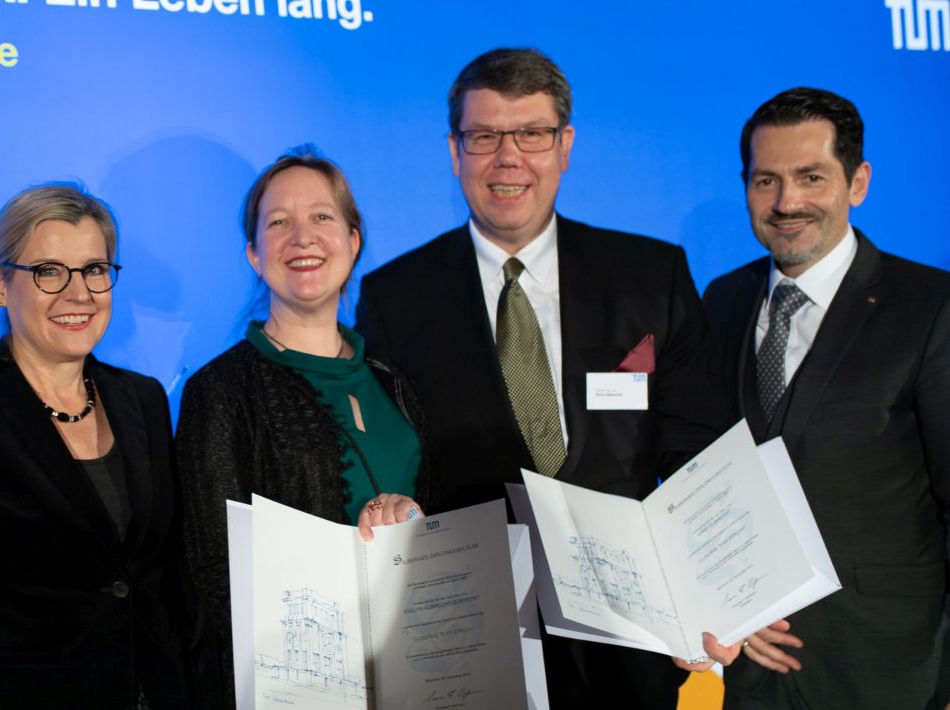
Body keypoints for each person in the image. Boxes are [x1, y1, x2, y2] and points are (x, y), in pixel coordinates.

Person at [356, 48, 713, 709]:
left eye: (532, 134)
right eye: (485, 136)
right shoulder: (394, 297)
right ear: (454, 150)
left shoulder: (650, 275)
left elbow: (695, 455)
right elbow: (394, 462)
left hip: (631, 644)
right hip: (475, 642)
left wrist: (713, 590)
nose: (508, 158)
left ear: (565, 144)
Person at [0, 184, 215, 708]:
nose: (78, 293)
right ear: (0, 285)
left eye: (94, 269)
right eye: (48, 271)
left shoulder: (145, 399)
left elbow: (167, 585)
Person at [699, 87, 950, 709]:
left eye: (811, 176)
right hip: (754, 669)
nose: (787, 203)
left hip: (892, 667)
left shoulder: (930, 306)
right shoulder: (722, 301)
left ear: (857, 182)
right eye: (766, 181)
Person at [176, 146, 429, 708]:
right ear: (253, 254)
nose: (302, 236)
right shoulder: (219, 393)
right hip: (299, 685)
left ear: (353, 240)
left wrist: (410, 522)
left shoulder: (395, 382)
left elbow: (430, 521)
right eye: (278, 223)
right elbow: (217, 571)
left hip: (415, 672)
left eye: (321, 216)